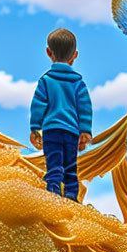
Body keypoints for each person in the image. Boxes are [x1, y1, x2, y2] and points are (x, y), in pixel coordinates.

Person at [29, 28, 93, 201]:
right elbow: (85, 107)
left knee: (54, 167)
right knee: (71, 169)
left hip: (51, 131)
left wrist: (35, 127)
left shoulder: (46, 80)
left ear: (49, 53)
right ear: (75, 55)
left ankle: (53, 197)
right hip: (71, 132)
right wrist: (85, 130)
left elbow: (38, 104)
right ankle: (71, 200)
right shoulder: (78, 83)